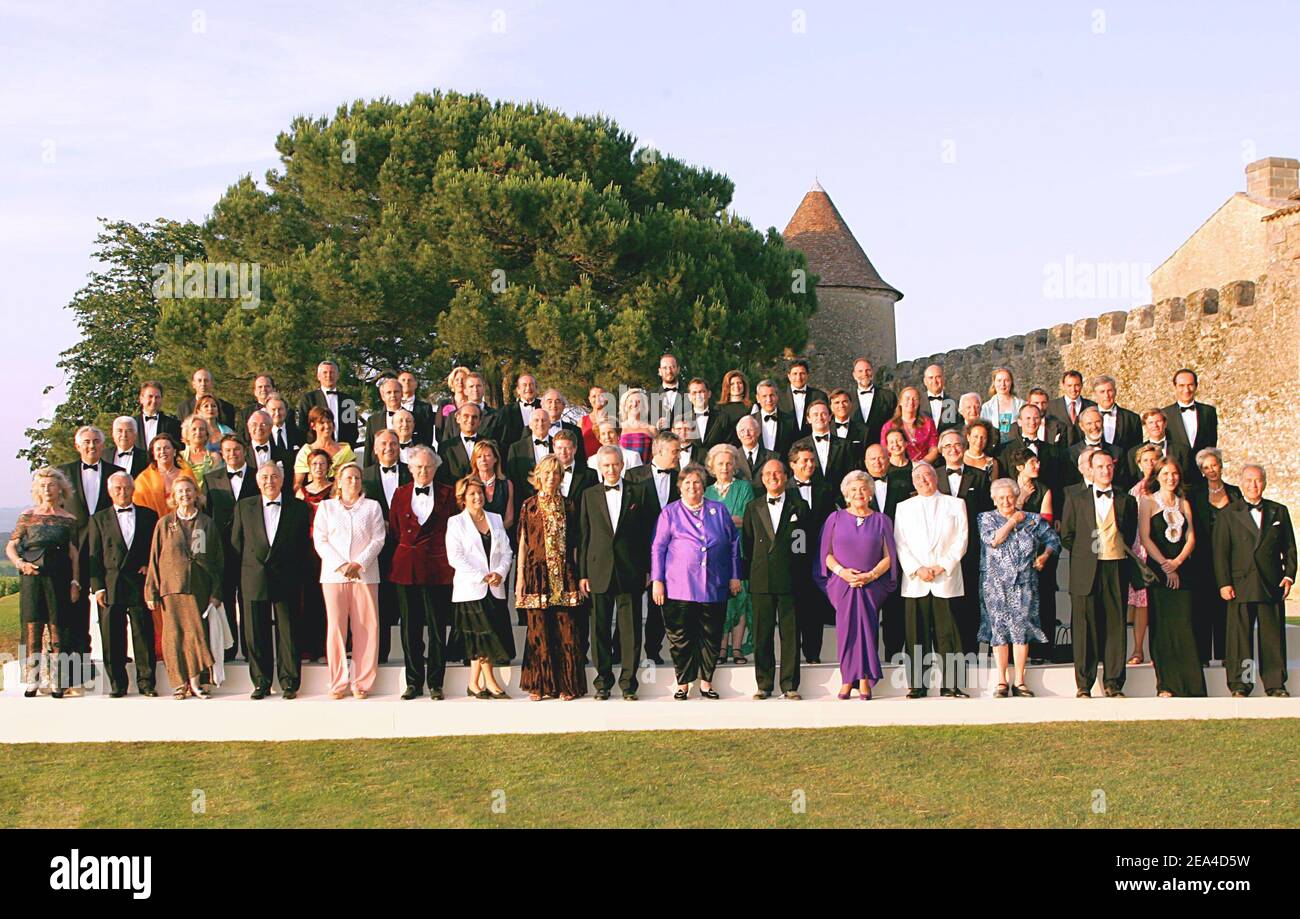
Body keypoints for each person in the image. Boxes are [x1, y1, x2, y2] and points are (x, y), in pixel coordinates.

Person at [650, 463, 742, 700]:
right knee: (681, 637)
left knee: (711, 636)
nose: (692, 487)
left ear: (704, 486)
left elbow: (733, 544)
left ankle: (706, 682)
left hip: (714, 585)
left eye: (697, 482)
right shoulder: (669, 512)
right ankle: (683, 683)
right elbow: (658, 548)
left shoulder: (719, 510)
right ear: (680, 487)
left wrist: (734, 575)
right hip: (679, 587)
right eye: (687, 483)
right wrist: (657, 580)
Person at [1213, 464, 1295, 698]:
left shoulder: (1278, 511)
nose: (1253, 485)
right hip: (1240, 584)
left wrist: (1289, 575)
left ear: (1265, 483)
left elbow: (1289, 548)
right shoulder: (1228, 514)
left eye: (1258, 480)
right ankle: (1241, 684)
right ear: (1241, 482)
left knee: (1272, 637)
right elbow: (1220, 553)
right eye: (1248, 480)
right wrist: (1224, 583)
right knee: (1240, 639)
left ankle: (1275, 684)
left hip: (1271, 584)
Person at [815, 469, 898, 700]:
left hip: (871, 586)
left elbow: (889, 556)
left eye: (863, 489)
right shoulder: (835, 518)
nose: (859, 493)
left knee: (868, 629)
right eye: (853, 490)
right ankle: (846, 679)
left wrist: (870, 576)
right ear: (846, 495)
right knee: (845, 631)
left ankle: (864, 679)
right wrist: (844, 574)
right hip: (843, 585)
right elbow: (826, 554)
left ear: (871, 493)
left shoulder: (882, 520)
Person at [1061, 450, 1137, 698]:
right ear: (1090, 470)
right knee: (1084, 629)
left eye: (1109, 466)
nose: (1106, 471)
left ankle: (1114, 682)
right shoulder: (1076, 499)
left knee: (1116, 627)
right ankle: (1084, 684)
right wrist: (1087, 554)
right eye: (1100, 467)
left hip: (1116, 568)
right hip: (1085, 572)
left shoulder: (1126, 500)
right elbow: (1067, 536)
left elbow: (1130, 533)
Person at [578, 446, 651, 700]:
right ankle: (602, 682)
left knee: (630, 630)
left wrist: (647, 569)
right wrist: (583, 573)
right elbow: (585, 536)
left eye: (614, 465)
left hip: (630, 570)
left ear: (622, 465)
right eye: (606, 465)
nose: (610, 470)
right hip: (598, 571)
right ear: (599, 467)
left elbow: (647, 535)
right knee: (599, 629)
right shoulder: (589, 495)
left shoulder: (639, 492)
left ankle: (629, 684)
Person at [231, 463, 310, 700]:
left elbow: (302, 546)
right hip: (253, 576)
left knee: (288, 632)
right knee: (256, 633)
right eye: (265, 476)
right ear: (257, 481)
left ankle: (289, 682)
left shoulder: (298, 508)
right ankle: (261, 682)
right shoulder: (244, 507)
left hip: (286, 577)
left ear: (283, 480)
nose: (270, 481)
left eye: (275, 476)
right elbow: (236, 543)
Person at [977, 478, 1060, 698]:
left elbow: (1053, 540)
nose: (1006, 501)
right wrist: (1013, 521)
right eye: (1001, 497)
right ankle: (1002, 680)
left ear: (1016, 497)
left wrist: (1044, 556)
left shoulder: (1033, 520)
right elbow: (993, 540)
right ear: (994, 499)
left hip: (1024, 583)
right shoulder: (985, 518)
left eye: (1010, 496)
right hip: (995, 585)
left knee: (1021, 629)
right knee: (999, 630)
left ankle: (1020, 681)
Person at [311, 462, 386, 699]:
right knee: (336, 628)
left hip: (365, 575)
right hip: (334, 576)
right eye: (348, 478)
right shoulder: (326, 507)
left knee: (366, 628)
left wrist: (358, 564)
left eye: (357, 478)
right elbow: (320, 540)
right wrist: (342, 565)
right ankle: (338, 682)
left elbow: (378, 539)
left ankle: (362, 682)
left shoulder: (372, 507)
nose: (353, 482)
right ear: (339, 482)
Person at [894, 463, 969, 697]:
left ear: (936, 478)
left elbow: (962, 540)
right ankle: (917, 684)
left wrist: (941, 566)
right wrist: (917, 569)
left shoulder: (956, 504)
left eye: (926, 475)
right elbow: (900, 542)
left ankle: (952, 684)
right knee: (916, 635)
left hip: (945, 578)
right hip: (916, 581)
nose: (922, 480)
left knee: (950, 634)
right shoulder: (903, 507)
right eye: (917, 477)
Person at [144, 477, 222, 699]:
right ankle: (179, 684)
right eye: (180, 492)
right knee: (174, 636)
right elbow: (154, 559)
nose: (185, 495)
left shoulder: (206, 523)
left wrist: (216, 593)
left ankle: (197, 682)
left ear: (196, 494)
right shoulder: (164, 524)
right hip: (172, 588)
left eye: (189, 491)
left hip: (199, 588)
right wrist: (151, 590)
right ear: (173, 497)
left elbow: (217, 560)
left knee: (196, 635)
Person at [516, 454, 586, 700]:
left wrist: (579, 577)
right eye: (546, 473)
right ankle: (540, 686)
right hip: (536, 575)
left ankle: (567, 685)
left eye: (555, 473)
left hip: (564, 575)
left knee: (565, 630)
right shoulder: (529, 505)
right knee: (538, 631)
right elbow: (523, 544)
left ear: (561, 477)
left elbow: (576, 543)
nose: (550, 477)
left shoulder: (569, 505)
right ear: (538, 476)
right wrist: (519, 581)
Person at [389, 446, 456, 700]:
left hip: (437, 568)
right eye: (418, 467)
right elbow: (395, 528)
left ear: (435, 468)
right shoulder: (400, 493)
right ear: (410, 468)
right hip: (406, 568)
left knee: (438, 628)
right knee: (410, 629)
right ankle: (413, 682)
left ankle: (436, 683)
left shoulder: (448, 494)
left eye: (428, 466)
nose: (423, 471)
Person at [58, 425, 122, 693]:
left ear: (103, 444)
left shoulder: (117, 474)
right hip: (74, 555)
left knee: (111, 616)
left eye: (96, 441)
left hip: (108, 556)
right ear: (77, 445)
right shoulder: (64, 474)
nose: (91, 446)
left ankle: (117, 679)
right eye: (86, 442)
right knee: (74, 619)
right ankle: (75, 678)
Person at [6, 468, 79, 697]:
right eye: (43, 485)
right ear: (37, 490)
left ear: (60, 489)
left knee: (58, 627)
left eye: (52, 485)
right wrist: (20, 564)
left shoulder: (69, 520)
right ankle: (33, 679)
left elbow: (74, 553)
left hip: (59, 576)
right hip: (32, 576)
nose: (47, 489)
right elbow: (11, 545)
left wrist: (75, 582)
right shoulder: (27, 516)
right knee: (32, 626)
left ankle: (58, 680)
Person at [743, 459, 811, 699]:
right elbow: (748, 544)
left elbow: (802, 545)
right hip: (761, 579)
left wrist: (799, 577)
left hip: (790, 580)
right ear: (762, 478)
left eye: (777, 473)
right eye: (768, 474)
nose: (773, 477)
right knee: (762, 634)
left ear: (785, 476)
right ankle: (764, 684)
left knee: (790, 635)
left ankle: (790, 685)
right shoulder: (753, 507)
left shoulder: (799, 506)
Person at [1138, 459, 1207, 698]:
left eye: (1175, 473)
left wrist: (1177, 563)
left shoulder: (1184, 503)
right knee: (1163, 626)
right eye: (1166, 473)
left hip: (1183, 569)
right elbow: (1145, 537)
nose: (1171, 477)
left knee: (1185, 624)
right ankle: (1166, 684)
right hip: (1159, 571)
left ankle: (1191, 684)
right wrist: (1166, 566)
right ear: (1157, 476)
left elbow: (1191, 537)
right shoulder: (1147, 502)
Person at [87, 472, 158, 698]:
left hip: (139, 583)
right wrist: (97, 587)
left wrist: (149, 566)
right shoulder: (98, 519)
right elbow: (94, 556)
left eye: (126, 487)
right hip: (110, 584)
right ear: (110, 491)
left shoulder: (149, 516)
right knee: (112, 636)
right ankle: (118, 684)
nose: (122, 492)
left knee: (143, 634)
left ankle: (147, 683)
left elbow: (156, 550)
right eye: (117, 488)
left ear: (133, 489)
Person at [448, 476, 516, 698]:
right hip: (471, 588)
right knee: (484, 636)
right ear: (463, 498)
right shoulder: (455, 522)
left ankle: (473, 683)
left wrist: (500, 573)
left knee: (485, 636)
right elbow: (455, 557)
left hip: (495, 588)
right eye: (471, 494)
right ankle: (491, 682)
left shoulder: (495, 519)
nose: (477, 497)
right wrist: (482, 576)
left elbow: (507, 551)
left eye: (479, 493)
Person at [624, 431, 681, 663]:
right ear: (659, 451)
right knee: (632, 605)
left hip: (670, 555)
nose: (678, 455)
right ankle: (626, 651)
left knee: (661, 604)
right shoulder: (632, 476)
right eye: (675, 451)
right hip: (637, 552)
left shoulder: (680, 477)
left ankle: (653, 650)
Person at [934, 429, 991, 655]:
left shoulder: (980, 476)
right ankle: (943, 652)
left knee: (969, 601)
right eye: (947, 446)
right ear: (940, 450)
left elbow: (986, 514)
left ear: (964, 446)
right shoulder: (933, 476)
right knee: (944, 602)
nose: (953, 449)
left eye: (957, 444)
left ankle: (970, 651)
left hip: (971, 549)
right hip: (941, 550)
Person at [1002, 445, 1058, 663]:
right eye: (1032, 463)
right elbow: (1001, 522)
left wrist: (1043, 554)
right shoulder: (1005, 489)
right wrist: (1021, 500)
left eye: (1037, 461)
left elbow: (1045, 526)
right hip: (1009, 555)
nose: (1037, 466)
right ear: (1019, 467)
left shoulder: (1044, 490)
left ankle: (1040, 651)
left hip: (1035, 553)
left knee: (1039, 599)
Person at [205, 435, 257, 661]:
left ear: (244, 451)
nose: (232, 454)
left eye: (236, 450)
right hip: (222, 549)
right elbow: (206, 517)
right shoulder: (210, 479)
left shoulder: (258, 477)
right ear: (222, 453)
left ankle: (249, 649)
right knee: (224, 598)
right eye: (227, 451)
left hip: (251, 549)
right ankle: (227, 649)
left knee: (248, 600)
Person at [360, 429, 409, 664]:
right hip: (375, 550)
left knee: (407, 605)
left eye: (393, 443)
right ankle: (379, 657)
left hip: (405, 546)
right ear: (375, 449)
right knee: (379, 605)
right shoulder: (364, 476)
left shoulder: (412, 473)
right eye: (383, 444)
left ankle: (412, 656)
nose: (388, 448)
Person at [1187, 448, 1240, 664]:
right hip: (1201, 558)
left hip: (1229, 558)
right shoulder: (1193, 494)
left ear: (1221, 465)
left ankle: (1225, 653)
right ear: (1201, 471)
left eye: (1214, 465)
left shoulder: (1235, 493)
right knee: (1201, 605)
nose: (1211, 470)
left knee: (1226, 606)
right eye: (1206, 467)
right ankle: (1202, 656)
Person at [787, 442, 836, 663]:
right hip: (791, 560)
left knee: (814, 607)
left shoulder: (826, 488)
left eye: (811, 460)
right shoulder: (784, 490)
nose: (809, 464)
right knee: (793, 609)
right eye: (804, 460)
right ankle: (792, 655)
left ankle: (813, 653)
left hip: (818, 557)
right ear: (792, 465)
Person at [706, 444, 755, 664]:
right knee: (720, 599)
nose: (724, 467)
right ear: (712, 467)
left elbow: (747, 519)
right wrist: (729, 519)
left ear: (735, 466)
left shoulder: (744, 488)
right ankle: (721, 647)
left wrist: (718, 520)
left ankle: (737, 648)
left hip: (740, 550)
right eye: (720, 464)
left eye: (728, 463)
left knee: (740, 597)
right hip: (715, 554)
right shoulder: (707, 491)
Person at [295, 449, 334, 663]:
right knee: (308, 599)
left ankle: (326, 647)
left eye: (322, 463)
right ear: (309, 468)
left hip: (328, 551)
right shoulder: (300, 492)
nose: (319, 468)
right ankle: (308, 648)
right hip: (307, 551)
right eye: (315, 464)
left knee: (327, 600)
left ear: (328, 466)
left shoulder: (335, 490)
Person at [1125, 444, 1162, 666]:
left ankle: (1160, 651)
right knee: (1141, 603)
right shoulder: (1133, 491)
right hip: (1139, 550)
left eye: (1154, 459)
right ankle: (1138, 650)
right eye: (1146, 460)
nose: (1150, 464)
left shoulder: (1167, 488)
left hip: (1162, 550)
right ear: (1139, 465)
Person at [298, 359, 360, 447]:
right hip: (317, 452)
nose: (329, 375)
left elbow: (352, 429)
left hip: (342, 452)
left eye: (332, 372)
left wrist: (344, 448)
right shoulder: (309, 399)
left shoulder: (347, 400)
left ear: (338, 375)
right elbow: (303, 428)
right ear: (318, 376)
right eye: (325, 372)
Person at [1125, 409, 1192, 487]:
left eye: (1158, 421)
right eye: (1150, 423)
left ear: (1165, 423)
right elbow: (1132, 481)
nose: (1155, 425)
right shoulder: (1133, 452)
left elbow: (1189, 478)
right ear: (1145, 426)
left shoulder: (1183, 450)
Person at [293, 406, 356, 489]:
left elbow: (353, 479)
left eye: (329, 422)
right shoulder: (306, 451)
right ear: (313, 426)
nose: (326, 426)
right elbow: (298, 484)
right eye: (322, 423)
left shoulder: (345, 451)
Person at [1161, 368, 1218, 459]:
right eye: (1181, 385)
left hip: (1202, 468)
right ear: (1175, 387)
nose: (1186, 390)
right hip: (1177, 468)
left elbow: (1212, 444)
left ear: (1196, 386)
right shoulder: (1165, 413)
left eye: (1190, 385)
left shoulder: (1209, 412)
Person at [804, 400, 852, 494]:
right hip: (810, 499)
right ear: (808, 419)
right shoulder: (799, 446)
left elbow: (850, 475)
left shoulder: (845, 445)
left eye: (823, 414)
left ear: (830, 417)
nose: (820, 418)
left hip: (838, 500)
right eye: (815, 414)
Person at [880, 387, 939, 464]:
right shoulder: (889, 426)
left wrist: (920, 464)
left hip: (923, 467)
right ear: (900, 402)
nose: (911, 402)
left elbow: (934, 450)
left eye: (915, 399)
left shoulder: (928, 423)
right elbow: (885, 452)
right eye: (907, 399)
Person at [468, 440, 515, 533]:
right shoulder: (469, 485)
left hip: (501, 537)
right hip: (475, 538)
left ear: (495, 459)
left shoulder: (507, 484)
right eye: (479, 457)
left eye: (487, 456)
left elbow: (509, 519)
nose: (483, 459)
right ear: (474, 461)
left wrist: (493, 534)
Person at [851, 357, 897, 447]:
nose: (864, 374)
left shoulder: (888, 396)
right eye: (860, 371)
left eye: (868, 370)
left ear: (872, 372)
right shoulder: (847, 399)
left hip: (881, 449)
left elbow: (894, 422)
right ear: (854, 375)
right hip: (854, 451)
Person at [1091, 374, 1142, 455]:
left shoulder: (1132, 419)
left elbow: (1136, 451)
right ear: (1094, 394)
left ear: (1115, 391)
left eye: (1109, 390)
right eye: (1102, 392)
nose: (1106, 395)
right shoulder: (1086, 418)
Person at [435, 402, 484, 484]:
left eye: (474, 417)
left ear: (479, 421)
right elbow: (442, 478)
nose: (470, 420)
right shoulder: (445, 447)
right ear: (458, 418)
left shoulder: (488, 444)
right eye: (466, 416)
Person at [779, 358, 827, 436]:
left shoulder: (819, 396)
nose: (798, 378)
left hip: (812, 442)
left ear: (807, 375)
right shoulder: (779, 397)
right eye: (795, 374)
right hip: (785, 444)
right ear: (789, 376)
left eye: (802, 373)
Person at [1047, 369, 1094, 445]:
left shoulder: (1091, 406)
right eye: (1069, 385)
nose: (1073, 389)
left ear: (1082, 385)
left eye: (1077, 385)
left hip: (1085, 452)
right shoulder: (1051, 407)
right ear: (1063, 385)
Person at [754, 379, 799, 457]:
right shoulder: (750, 420)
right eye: (764, 396)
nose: (769, 400)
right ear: (758, 398)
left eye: (772, 395)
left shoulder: (790, 421)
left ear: (777, 397)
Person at [496, 372, 541, 449]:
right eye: (524, 385)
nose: (528, 388)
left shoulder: (544, 406)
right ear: (518, 390)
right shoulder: (507, 411)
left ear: (536, 388)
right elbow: (502, 437)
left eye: (531, 384)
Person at [685, 378, 732, 451]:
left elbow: (728, 445)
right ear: (689, 397)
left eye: (702, 392)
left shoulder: (722, 418)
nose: (698, 396)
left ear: (709, 394)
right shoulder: (681, 419)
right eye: (694, 393)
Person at [134, 380, 182, 448]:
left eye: (157, 397)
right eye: (150, 396)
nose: (154, 401)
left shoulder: (173, 425)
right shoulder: (132, 423)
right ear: (141, 399)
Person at [828, 389, 869, 467]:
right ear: (831, 407)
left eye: (845, 401)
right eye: (837, 402)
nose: (841, 405)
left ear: (851, 404)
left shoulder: (864, 430)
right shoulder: (825, 429)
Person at [980, 367, 1025, 438]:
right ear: (994, 383)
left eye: (1006, 380)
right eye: (999, 380)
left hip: (1017, 444)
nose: (1003, 384)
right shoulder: (986, 407)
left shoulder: (1021, 404)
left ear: (1011, 382)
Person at [618, 388, 658, 462]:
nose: (634, 404)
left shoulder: (651, 429)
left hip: (643, 472)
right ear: (625, 405)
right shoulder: (618, 428)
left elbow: (657, 455)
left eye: (638, 401)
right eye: (631, 401)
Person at [179, 415, 217, 488]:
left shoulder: (214, 457)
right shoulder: (179, 457)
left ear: (207, 433)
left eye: (202, 429)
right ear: (187, 433)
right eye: (194, 429)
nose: (198, 432)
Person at [921, 364, 961, 434]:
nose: (934, 381)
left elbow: (959, 427)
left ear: (943, 379)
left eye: (938, 377)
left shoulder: (954, 402)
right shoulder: (918, 403)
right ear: (925, 381)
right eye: (931, 378)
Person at [735, 415, 776, 482]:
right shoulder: (732, 458)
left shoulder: (773, 457)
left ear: (758, 432)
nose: (747, 434)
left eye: (750, 430)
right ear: (738, 435)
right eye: (742, 430)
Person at [649, 352, 685, 428]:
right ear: (659, 371)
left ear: (678, 369)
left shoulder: (689, 394)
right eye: (665, 368)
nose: (669, 371)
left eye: (672, 367)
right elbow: (642, 422)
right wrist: (656, 425)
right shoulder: (649, 396)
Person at [717, 369, 752, 444]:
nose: (736, 386)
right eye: (732, 384)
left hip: (745, 450)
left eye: (739, 383)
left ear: (744, 385)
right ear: (727, 387)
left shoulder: (751, 407)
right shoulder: (718, 408)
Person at [580, 385, 611, 457]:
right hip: (587, 463)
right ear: (589, 399)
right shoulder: (582, 421)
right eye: (594, 396)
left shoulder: (613, 419)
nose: (597, 399)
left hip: (609, 462)